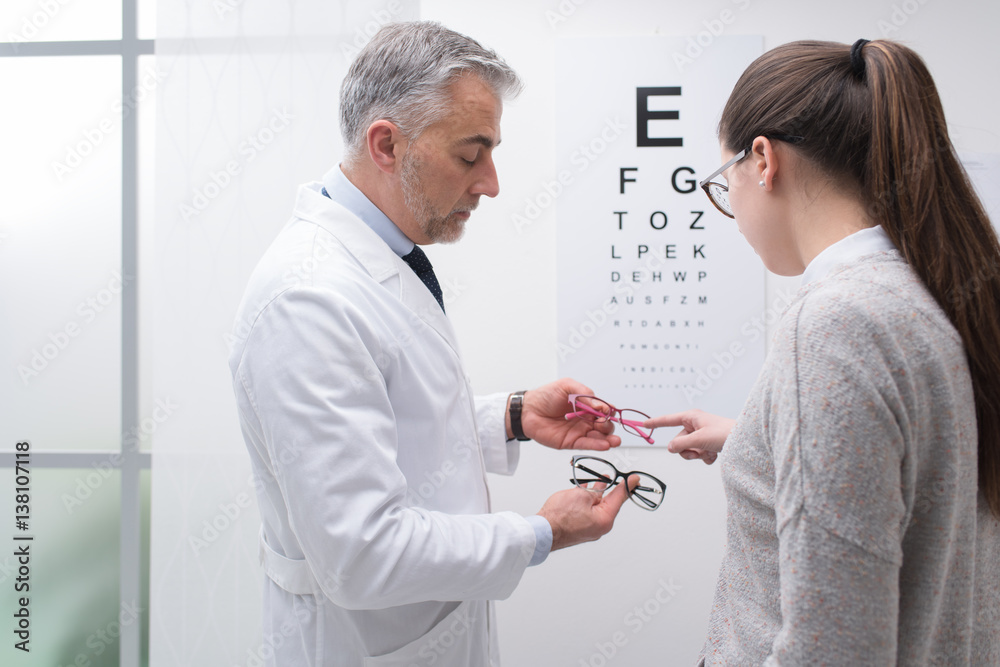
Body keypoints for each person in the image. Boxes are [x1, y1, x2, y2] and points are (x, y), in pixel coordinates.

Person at [228, 21, 636, 667]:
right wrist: (542, 532)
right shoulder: (306, 299)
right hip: (360, 643)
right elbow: (363, 554)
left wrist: (512, 416)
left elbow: (385, 425)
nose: (491, 182)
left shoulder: (384, 255)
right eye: (471, 154)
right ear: (387, 144)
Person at [645, 39, 1000, 664]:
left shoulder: (837, 324)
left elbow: (834, 646)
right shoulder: (940, 292)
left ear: (762, 160)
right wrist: (761, 436)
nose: (729, 209)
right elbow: (927, 462)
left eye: (721, 181)